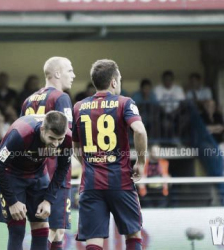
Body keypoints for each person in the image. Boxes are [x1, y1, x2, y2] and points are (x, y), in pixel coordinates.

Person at [72, 59, 147, 250]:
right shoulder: (124, 103)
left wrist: (89, 163)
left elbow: (76, 146)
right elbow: (139, 130)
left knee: (94, 240)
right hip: (120, 180)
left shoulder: (79, 107)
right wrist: (140, 162)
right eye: (119, 79)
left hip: (90, 183)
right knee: (133, 233)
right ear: (114, 82)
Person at [0, 111, 72, 250]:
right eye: (52, 138)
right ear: (42, 129)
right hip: (12, 174)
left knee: (42, 227)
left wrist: (48, 200)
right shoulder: (20, 134)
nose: (56, 144)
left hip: (38, 173)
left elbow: (63, 169)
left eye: (60, 139)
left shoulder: (68, 138)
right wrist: (12, 201)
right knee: (17, 229)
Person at [20, 56, 75, 249]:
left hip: (34, 173)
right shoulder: (61, 98)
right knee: (54, 230)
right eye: (70, 70)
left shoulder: (28, 100)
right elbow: (67, 138)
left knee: (53, 230)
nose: (73, 75)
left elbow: (22, 135)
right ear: (57, 73)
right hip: (54, 175)